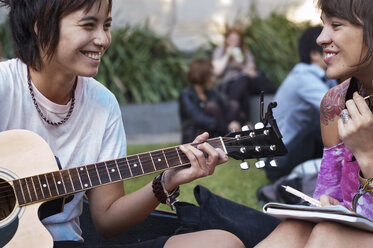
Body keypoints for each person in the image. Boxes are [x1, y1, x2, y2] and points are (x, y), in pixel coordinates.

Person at [0, 1, 245, 248]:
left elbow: (108, 222)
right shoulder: (4, 86)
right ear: (40, 27)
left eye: (106, 25)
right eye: (88, 25)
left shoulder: (103, 104)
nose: (103, 39)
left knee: (221, 243)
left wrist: (167, 181)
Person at [256, 0, 373, 247]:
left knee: (327, 235)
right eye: (323, 25)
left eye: (336, 25)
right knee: (294, 228)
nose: (321, 39)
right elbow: (328, 195)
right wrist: (332, 204)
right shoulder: (335, 102)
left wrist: (367, 155)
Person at [264, 26, 338, 182]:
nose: (336, 51)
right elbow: (335, 109)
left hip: (295, 151)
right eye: (330, 48)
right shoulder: (304, 77)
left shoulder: (326, 77)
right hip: (278, 162)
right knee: (326, 119)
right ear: (314, 55)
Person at [212, 27, 275, 120]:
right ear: (226, 40)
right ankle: (245, 120)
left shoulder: (245, 53)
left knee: (243, 81)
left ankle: (233, 106)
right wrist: (227, 55)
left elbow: (253, 74)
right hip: (227, 85)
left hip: (244, 83)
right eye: (231, 39)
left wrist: (240, 66)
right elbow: (217, 72)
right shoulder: (220, 51)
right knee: (242, 90)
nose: (233, 42)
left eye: (236, 40)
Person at [179, 58, 241, 144]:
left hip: (214, 131)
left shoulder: (210, 92)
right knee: (212, 106)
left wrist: (239, 122)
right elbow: (199, 119)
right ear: (202, 76)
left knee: (233, 104)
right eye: (210, 76)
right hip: (195, 136)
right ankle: (225, 138)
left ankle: (230, 138)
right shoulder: (186, 95)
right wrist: (226, 127)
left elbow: (226, 107)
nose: (213, 79)